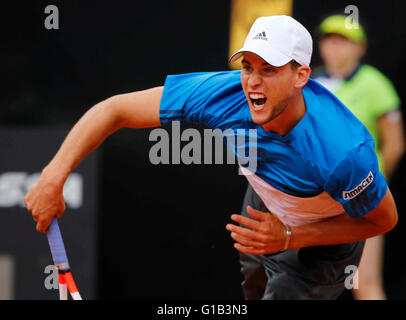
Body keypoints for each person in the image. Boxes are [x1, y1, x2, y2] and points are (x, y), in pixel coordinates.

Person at [24, 15, 398, 300]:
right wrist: (54, 176)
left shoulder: (343, 150)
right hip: (266, 202)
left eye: (269, 70)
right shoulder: (223, 95)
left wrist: (290, 235)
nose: (253, 81)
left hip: (324, 232)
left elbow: (383, 219)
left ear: (301, 76)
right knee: (254, 290)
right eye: (248, 67)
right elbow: (114, 110)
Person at [314, 15, 405, 300]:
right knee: (305, 282)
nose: (335, 47)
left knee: (365, 283)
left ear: (360, 47)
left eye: (343, 40)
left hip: (362, 202)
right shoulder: (310, 82)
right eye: (329, 39)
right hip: (315, 200)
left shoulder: (375, 84)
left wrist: (368, 187)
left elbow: (395, 145)